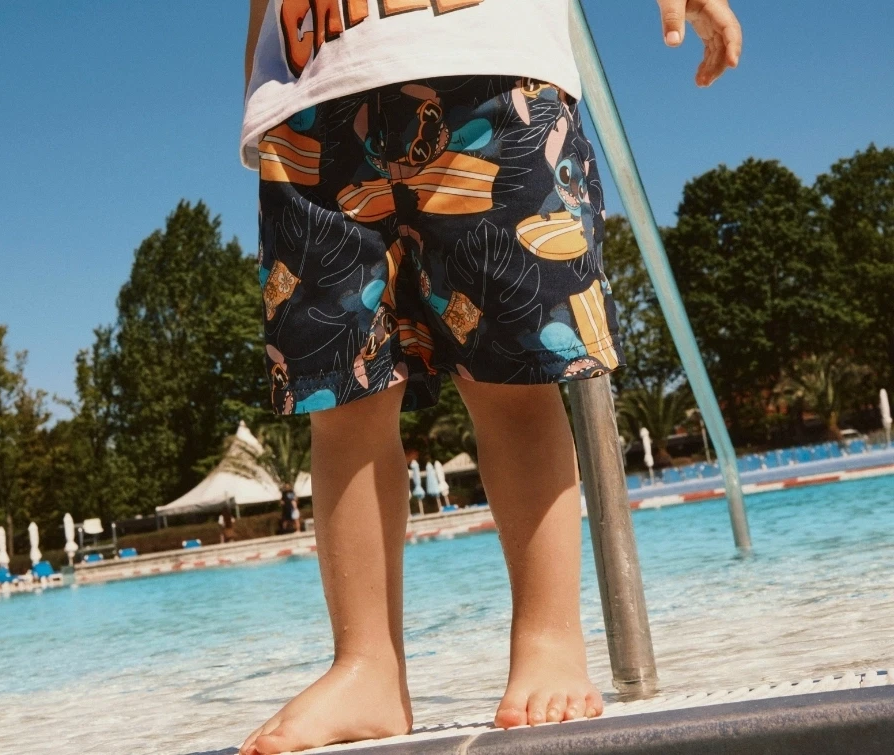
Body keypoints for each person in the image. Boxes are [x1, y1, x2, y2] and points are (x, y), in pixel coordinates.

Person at [240, 1, 742, 753]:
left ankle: (548, 638)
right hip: (310, 96)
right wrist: (261, 94)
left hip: (489, 69)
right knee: (340, 398)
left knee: (515, 381)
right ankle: (366, 666)